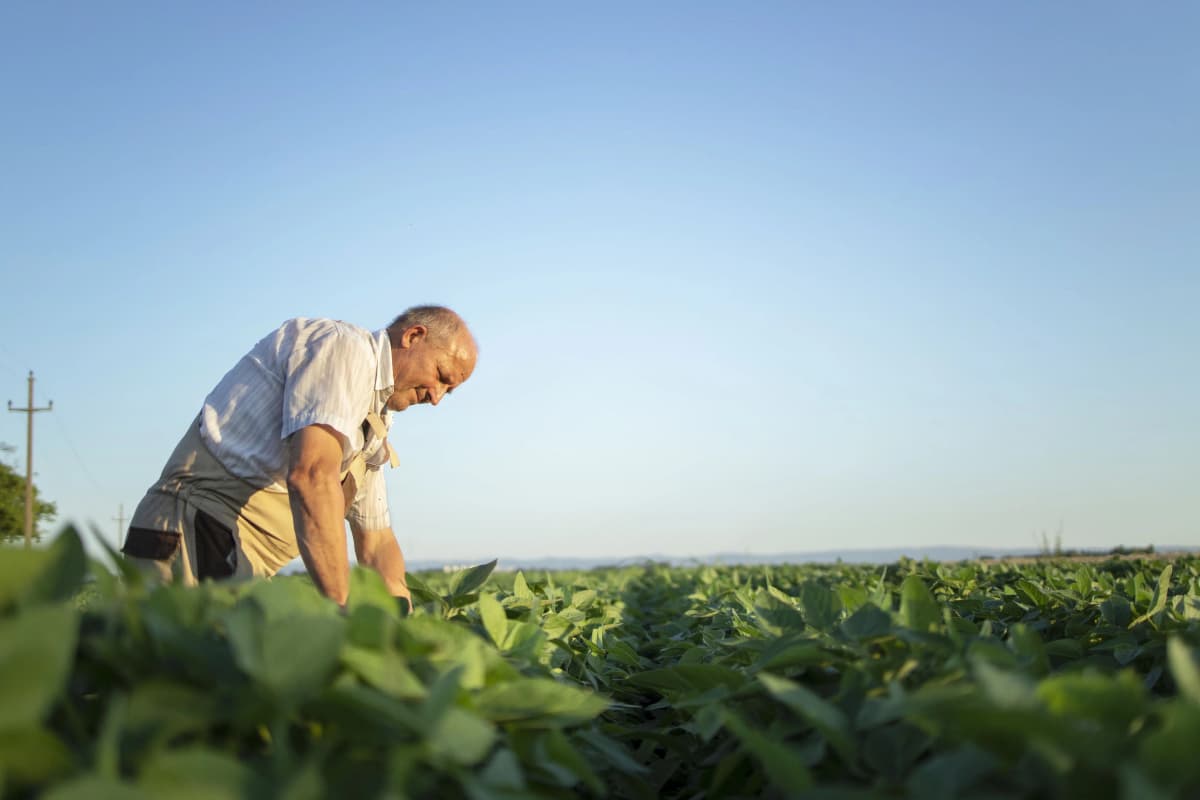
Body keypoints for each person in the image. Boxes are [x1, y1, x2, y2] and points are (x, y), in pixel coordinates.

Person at [121, 305, 477, 607]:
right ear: (413, 336)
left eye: (449, 391)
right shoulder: (345, 350)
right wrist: (342, 610)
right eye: (441, 377)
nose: (437, 398)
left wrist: (401, 624)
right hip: (192, 531)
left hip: (236, 558)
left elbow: (377, 543)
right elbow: (311, 477)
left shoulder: (375, 424)